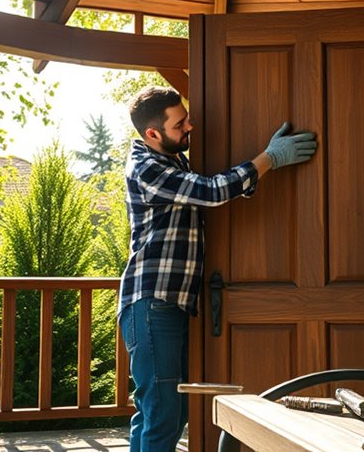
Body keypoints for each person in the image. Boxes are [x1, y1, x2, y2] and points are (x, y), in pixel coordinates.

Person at [119, 86, 317, 452]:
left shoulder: (171, 160)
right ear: (152, 134)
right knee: (162, 415)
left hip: (168, 304)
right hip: (150, 303)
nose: (190, 126)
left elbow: (206, 195)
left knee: (164, 413)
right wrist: (269, 158)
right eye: (180, 124)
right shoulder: (146, 167)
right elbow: (210, 191)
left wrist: (260, 171)